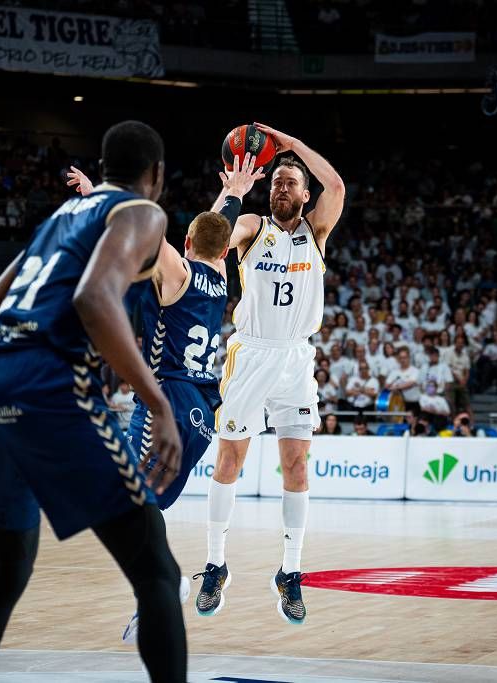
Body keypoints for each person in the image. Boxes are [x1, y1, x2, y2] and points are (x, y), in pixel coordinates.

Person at [0, 121, 186, 683]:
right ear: (157, 175)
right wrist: (159, 405)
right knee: (156, 571)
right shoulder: (142, 212)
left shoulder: (56, 220)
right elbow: (94, 298)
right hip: (50, 387)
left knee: (6, 575)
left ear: (100, 169)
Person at [68, 153, 261, 644]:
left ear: (187, 243)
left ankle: (163, 586)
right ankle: (153, 598)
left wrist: (96, 195)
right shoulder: (220, 273)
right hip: (199, 410)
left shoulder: (177, 274)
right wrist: (235, 192)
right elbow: (217, 229)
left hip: (166, 401)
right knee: (142, 506)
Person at [197, 123, 345, 626]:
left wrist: (294, 146)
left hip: (297, 359)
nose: (282, 186)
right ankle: (216, 564)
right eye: (277, 180)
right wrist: (230, 192)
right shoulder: (252, 227)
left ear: (306, 195)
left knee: (297, 466)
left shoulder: (316, 234)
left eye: (291, 182)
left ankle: (291, 572)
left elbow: (339, 187)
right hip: (252, 353)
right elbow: (207, 238)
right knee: (230, 459)